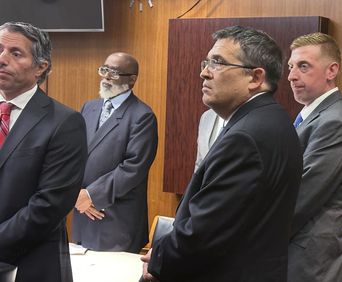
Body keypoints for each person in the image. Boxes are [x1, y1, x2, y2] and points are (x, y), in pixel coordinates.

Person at [141, 25, 303, 282]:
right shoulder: (270, 119)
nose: (204, 73)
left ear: (255, 77)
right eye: (206, 62)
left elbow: (205, 231)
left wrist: (160, 261)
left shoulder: (246, 137)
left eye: (217, 63)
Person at [0, 22, 87, 282]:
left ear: (41, 67)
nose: (2, 59)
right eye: (0, 49)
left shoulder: (64, 122)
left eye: (15, 53)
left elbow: (48, 205)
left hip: (29, 263)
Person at [286, 32, 342, 282]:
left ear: (331, 71)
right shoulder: (310, 117)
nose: (291, 75)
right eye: (291, 66)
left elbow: (300, 198)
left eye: (303, 66)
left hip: (308, 264)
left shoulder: (335, 124)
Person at [71, 52, 158, 253]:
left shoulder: (142, 115)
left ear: (132, 79)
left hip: (116, 218)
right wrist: (75, 195)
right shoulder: (89, 107)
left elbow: (133, 168)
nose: (106, 77)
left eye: (114, 73)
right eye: (104, 70)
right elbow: (75, 155)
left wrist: (91, 195)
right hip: (82, 211)